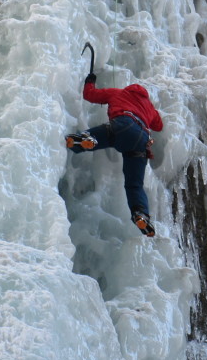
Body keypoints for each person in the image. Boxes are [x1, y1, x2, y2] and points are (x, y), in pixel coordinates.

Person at [65, 71, 163, 237]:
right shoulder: (149, 107)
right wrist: (150, 110)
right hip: (142, 140)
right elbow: (159, 126)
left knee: (107, 134)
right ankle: (141, 214)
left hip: (125, 123)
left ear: (129, 89)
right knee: (134, 185)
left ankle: (86, 140)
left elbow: (90, 95)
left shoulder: (119, 93)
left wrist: (90, 80)